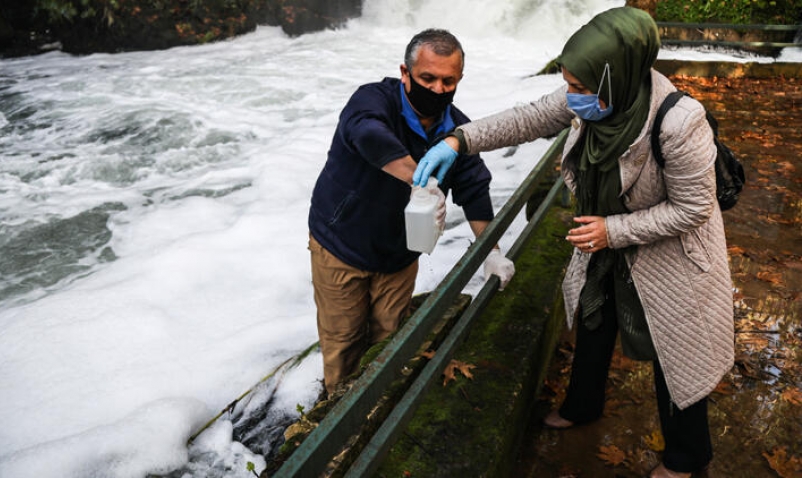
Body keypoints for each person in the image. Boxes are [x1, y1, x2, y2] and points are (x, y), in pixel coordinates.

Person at [413, 8, 734, 478]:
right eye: (569, 84)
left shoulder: (680, 123)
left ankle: (687, 458)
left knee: (674, 351)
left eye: (580, 89)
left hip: (669, 257)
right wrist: (459, 140)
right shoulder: (595, 95)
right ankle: (583, 406)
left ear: (616, 77)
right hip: (604, 242)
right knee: (593, 319)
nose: (571, 97)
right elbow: (527, 119)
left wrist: (613, 231)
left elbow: (693, 210)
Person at [308, 29, 515, 396]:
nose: (438, 89)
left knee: (390, 335)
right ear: (405, 73)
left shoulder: (457, 131)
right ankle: (337, 420)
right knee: (343, 341)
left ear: (459, 80)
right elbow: (367, 133)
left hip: (400, 254)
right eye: (427, 78)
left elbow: (475, 190)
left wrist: (493, 252)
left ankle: (381, 405)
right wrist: (420, 180)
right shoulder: (372, 100)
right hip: (341, 244)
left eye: (448, 81)